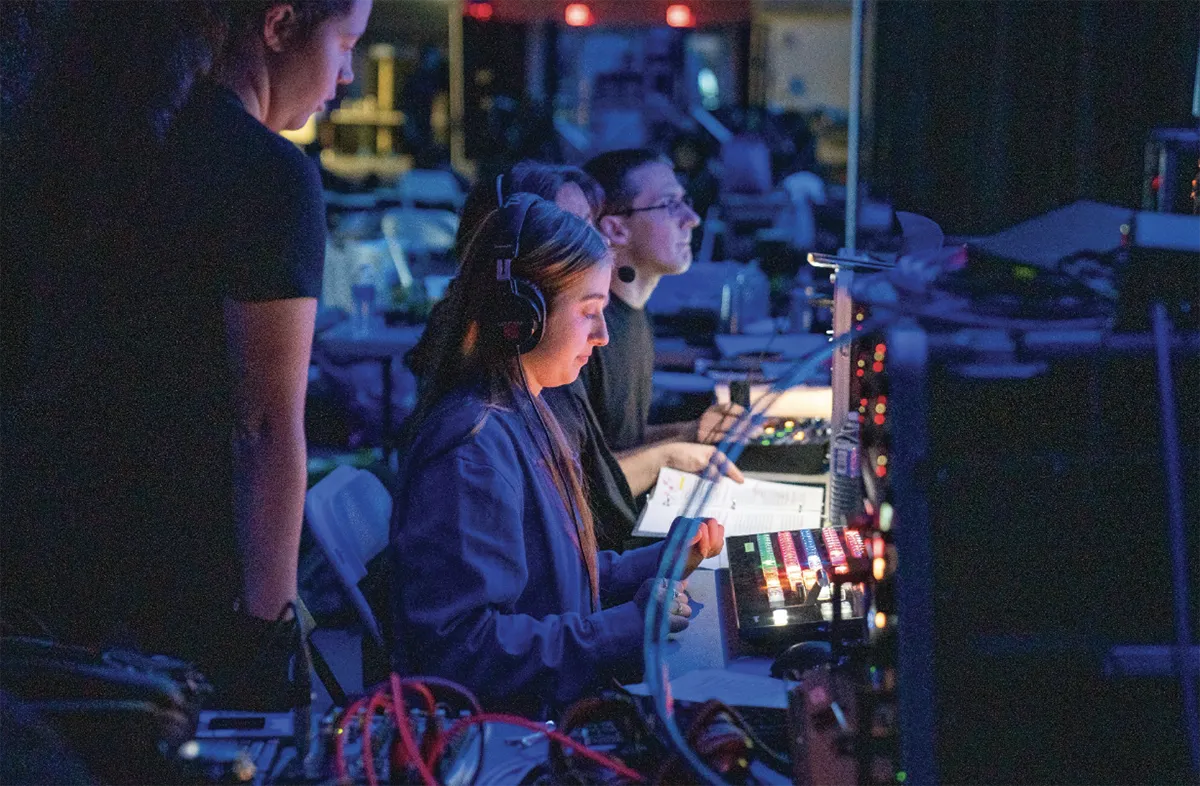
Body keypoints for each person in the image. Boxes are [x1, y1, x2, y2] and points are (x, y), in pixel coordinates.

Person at [0, 0, 371, 708]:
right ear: (280, 25)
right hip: (184, 572)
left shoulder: (79, 146)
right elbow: (263, 428)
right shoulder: (267, 176)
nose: (348, 73)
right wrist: (270, 629)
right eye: (346, 42)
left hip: (41, 545)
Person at [389, 195, 724, 716]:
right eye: (589, 311)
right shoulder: (473, 450)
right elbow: (463, 648)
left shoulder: (527, 410)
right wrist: (628, 626)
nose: (603, 334)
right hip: (517, 732)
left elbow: (556, 581)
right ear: (520, 317)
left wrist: (657, 562)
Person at [406, 160, 739, 550]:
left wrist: (650, 571)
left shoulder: (531, 392)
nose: (598, 242)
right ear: (518, 294)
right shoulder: (478, 442)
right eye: (572, 226)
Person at [581, 149, 746, 493]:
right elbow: (577, 483)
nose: (691, 218)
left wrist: (689, 433)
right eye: (670, 205)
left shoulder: (635, 316)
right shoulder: (586, 332)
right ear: (616, 228)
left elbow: (618, 442)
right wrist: (669, 457)